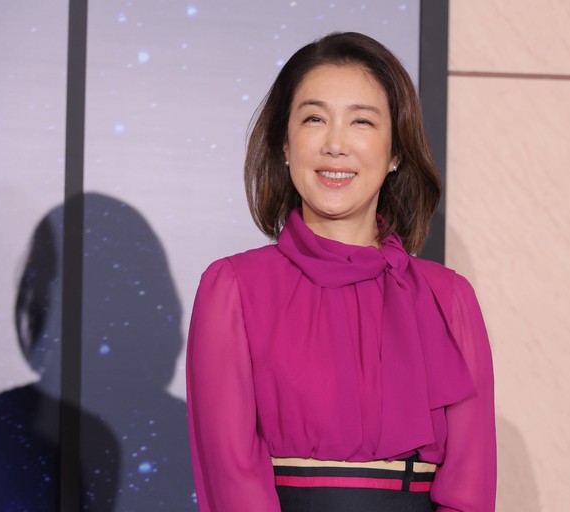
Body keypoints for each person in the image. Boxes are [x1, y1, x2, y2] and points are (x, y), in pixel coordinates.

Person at [186, 32, 496, 511]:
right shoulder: (233, 288)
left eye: (361, 121)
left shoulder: (448, 297)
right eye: (314, 119)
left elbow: (469, 488)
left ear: (396, 152)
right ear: (284, 144)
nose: (335, 144)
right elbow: (232, 481)